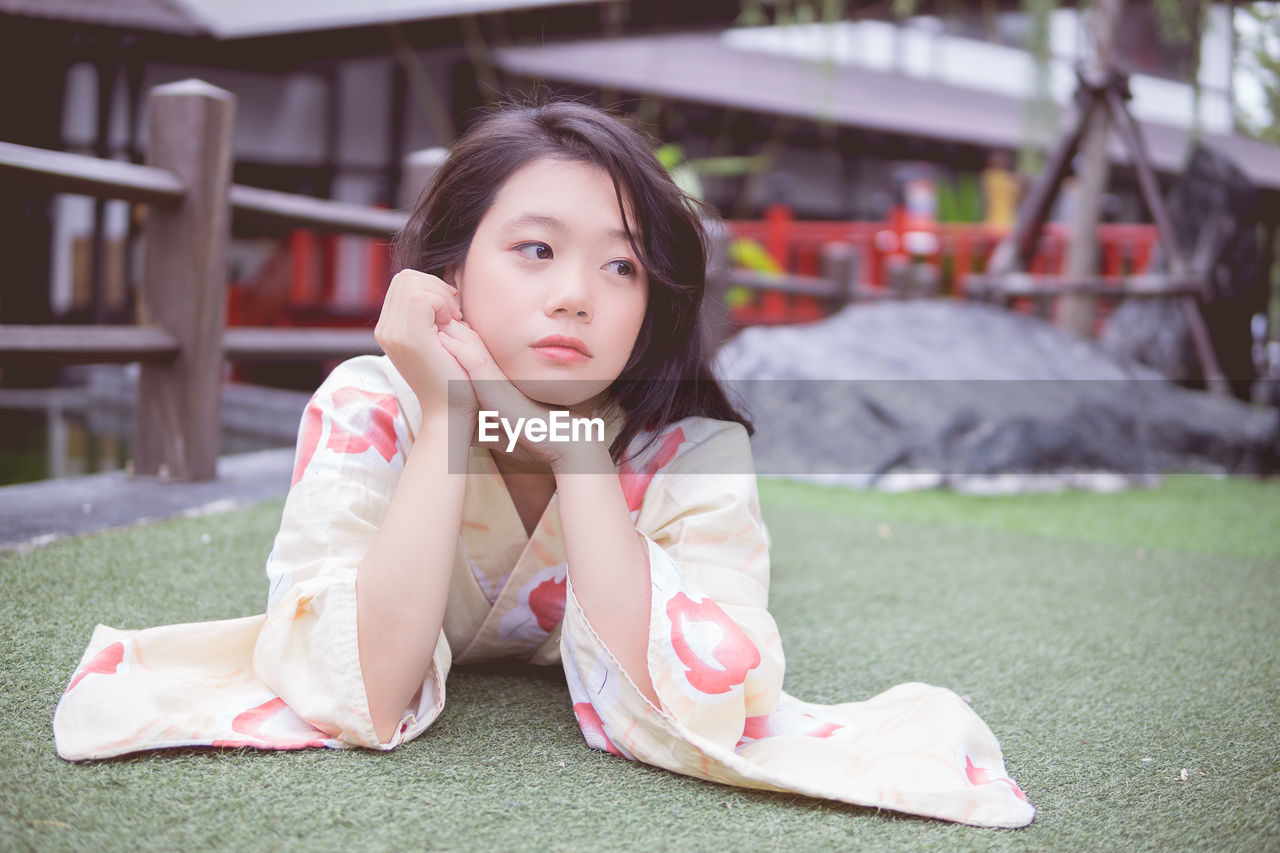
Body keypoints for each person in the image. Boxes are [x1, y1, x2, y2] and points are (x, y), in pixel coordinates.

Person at [53, 101, 1034, 829]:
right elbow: (365, 691)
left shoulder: (687, 452)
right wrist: (448, 407)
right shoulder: (369, 407)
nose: (576, 295)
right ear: (449, 275)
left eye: (620, 266)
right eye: (534, 250)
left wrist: (571, 451)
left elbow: (683, 698)